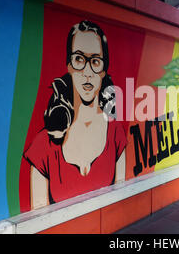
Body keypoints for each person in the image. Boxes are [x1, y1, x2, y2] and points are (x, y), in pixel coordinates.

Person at [23, 20, 127, 209]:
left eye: (95, 61)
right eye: (79, 59)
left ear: (103, 71)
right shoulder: (44, 145)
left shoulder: (115, 133)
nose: (87, 72)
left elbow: (119, 205)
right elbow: (37, 219)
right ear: (69, 65)